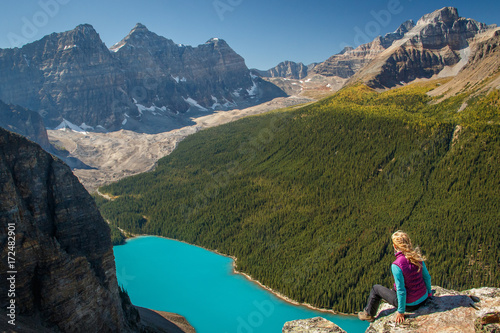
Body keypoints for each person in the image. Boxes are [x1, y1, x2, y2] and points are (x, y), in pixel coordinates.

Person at [358, 230, 432, 324]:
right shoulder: (417, 257)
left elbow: (401, 290)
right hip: (424, 298)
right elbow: (427, 277)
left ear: (395, 246)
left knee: (376, 289)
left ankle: (368, 314)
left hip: (409, 305)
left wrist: (401, 312)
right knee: (395, 287)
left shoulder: (397, 265)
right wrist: (429, 294)